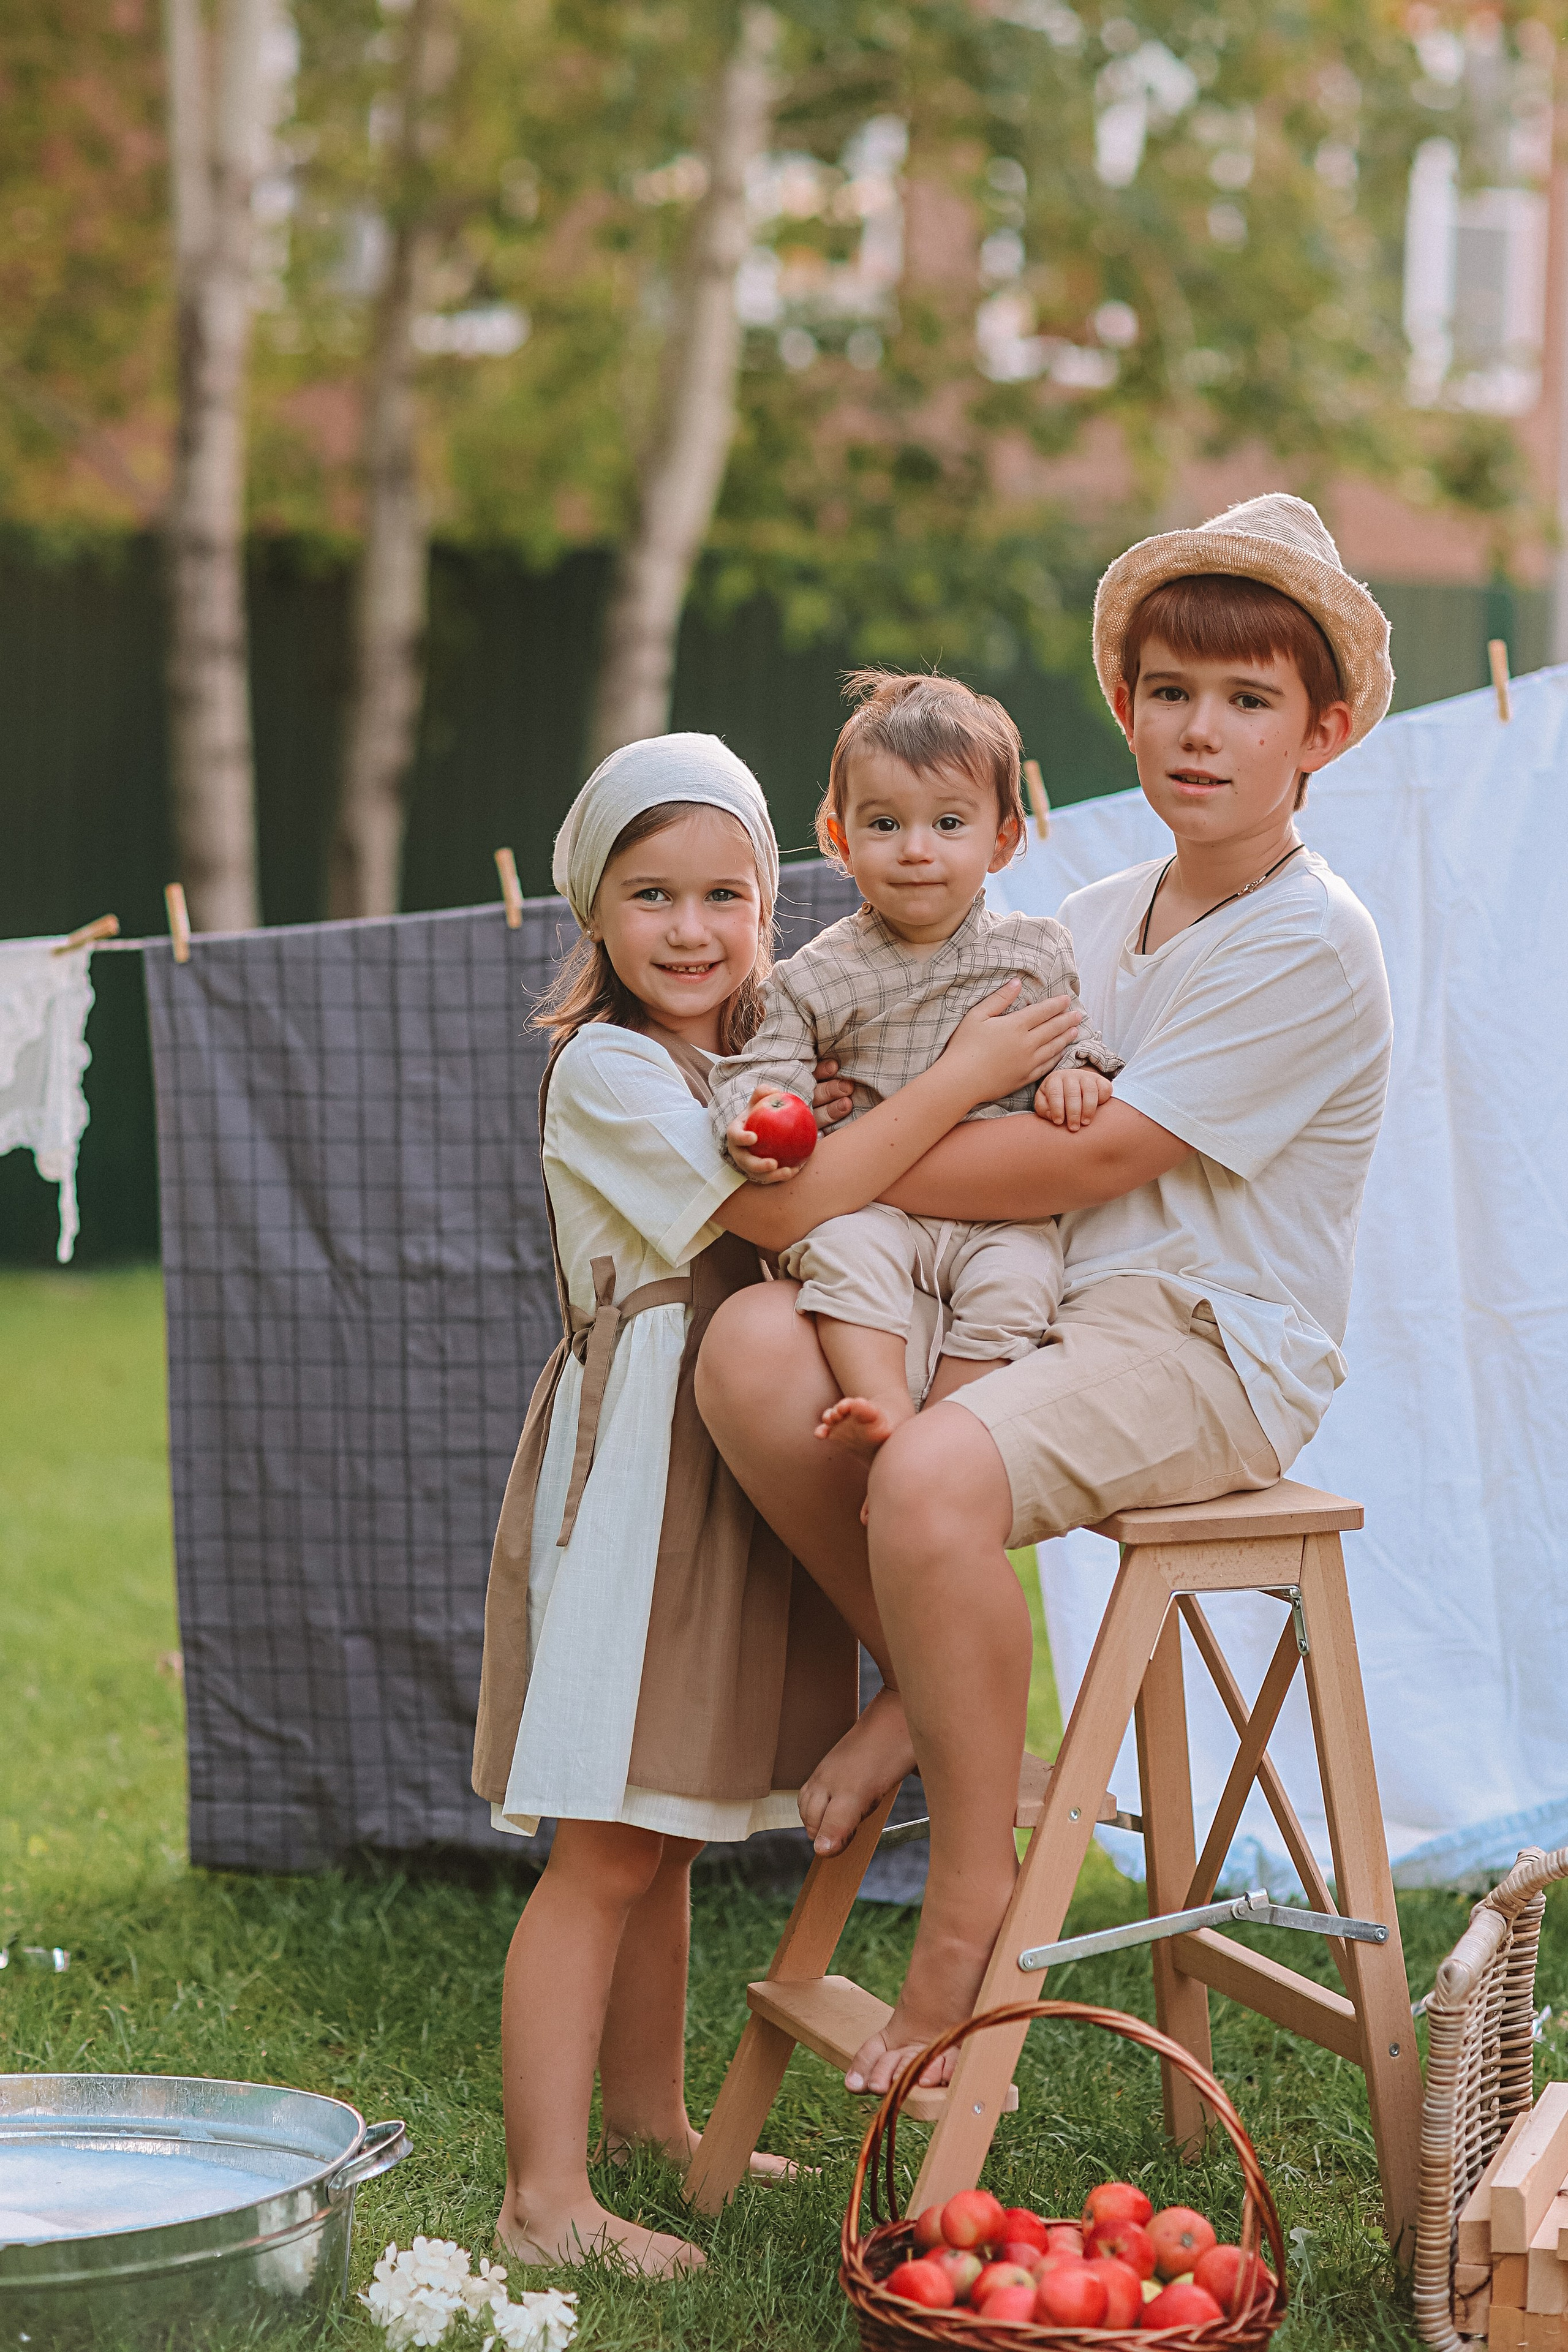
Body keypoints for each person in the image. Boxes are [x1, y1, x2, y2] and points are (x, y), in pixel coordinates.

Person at [695, 492, 1396, 2095]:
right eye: (1167, 693)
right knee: (745, 1346)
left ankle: (967, 1902)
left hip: (1212, 1342)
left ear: (1325, 732)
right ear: (1125, 708)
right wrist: (856, 1141)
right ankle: (944, 1733)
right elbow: (918, 1102)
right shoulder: (1076, 925)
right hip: (1037, 1311)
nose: (1197, 733)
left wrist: (863, 1154)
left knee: (930, 1464)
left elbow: (1079, 1167)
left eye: (1247, 701)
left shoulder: (1309, 940)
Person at [470, 731, 1080, 2272]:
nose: (689, 929)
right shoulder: (609, 1068)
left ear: (767, 897)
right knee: (602, 1844)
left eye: (723, 894)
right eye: (650, 894)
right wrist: (957, 1078)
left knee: (661, 1834)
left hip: (720, 1476)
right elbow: (791, 1205)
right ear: (591, 914)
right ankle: (542, 2199)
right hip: (636, 1490)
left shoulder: (763, 1061)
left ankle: (648, 2125)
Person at [709, 671, 1121, 1458]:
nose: (917, 849)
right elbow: (768, 1071)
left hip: (996, 1211)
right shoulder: (814, 977)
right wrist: (756, 1125)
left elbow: (1073, 1039)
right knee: (844, 1257)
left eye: (950, 822)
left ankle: (944, 1444)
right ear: (839, 839)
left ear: (1002, 840)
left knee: (1023, 1283)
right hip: (871, 1207)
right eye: (886, 823)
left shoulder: (1033, 953)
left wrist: (1078, 1073)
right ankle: (885, 1405)